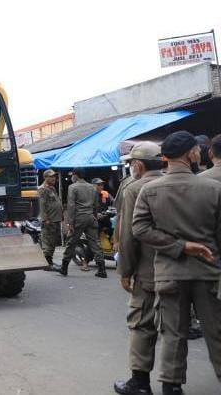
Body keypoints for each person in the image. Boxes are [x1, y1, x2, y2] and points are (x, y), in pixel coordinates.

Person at [132, 130, 221, 395]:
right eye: (196, 150)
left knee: (173, 333)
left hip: (170, 273)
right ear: (191, 153)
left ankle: (171, 386)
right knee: (216, 333)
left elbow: (139, 229)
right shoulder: (213, 189)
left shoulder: (149, 190)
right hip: (208, 271)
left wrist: (179, 247)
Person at [113, 141, 164, 395]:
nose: (131, 167)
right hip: (182, 268)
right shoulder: (176, 183)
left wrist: (125, 271)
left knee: (142, 324)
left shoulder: (134, 188)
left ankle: (140, 383)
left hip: (148, 270)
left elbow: (130, 235)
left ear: (139, 165)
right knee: (175, 329)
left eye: (132, 163)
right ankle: (173, 385)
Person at [60, 167, 105, 277]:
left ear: (76, 175)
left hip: (79, 218)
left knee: (71, 242)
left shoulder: (72, 187)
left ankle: (64, 268)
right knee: (95, 243)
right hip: (91, 217)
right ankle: (102, 269)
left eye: (72, 175)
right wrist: (94, 217)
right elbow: (96, 205)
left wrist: (70, 223)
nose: (71, 177)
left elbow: (71, 206)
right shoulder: (92, 187)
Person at [37, 169, 63, 272]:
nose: (54, 178)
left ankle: (50, 262)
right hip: (49, 220)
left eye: (54, 176)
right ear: (45, 178)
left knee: (52, 242)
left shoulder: (52, 188)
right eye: (51, 176)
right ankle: (47, 264)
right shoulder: (42, 189)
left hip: (55, 219)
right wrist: (45, 219)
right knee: (48, 242)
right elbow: (41, 205)